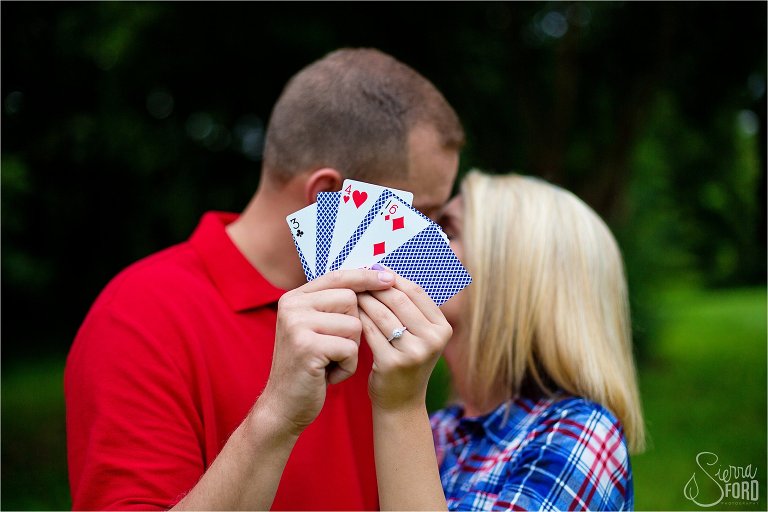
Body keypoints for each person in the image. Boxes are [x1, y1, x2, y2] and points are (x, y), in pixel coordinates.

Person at [64, 47, 464, 510]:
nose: (431, 245)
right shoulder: (138, 317)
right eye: (420, 215)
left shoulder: (377, 315)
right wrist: (276, 414)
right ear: (329, 197)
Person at [359, 170, 645, 510]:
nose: (413, 236)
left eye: (448, 229)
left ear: (511, 276)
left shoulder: (582, 435)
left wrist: (400, 407)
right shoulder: (440, 428)